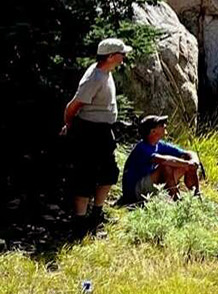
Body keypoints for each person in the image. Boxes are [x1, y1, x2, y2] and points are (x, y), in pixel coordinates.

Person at [58, 38, 129, 219]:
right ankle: (80, 220)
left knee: (109, 172)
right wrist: (70, 125)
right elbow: (73, 106)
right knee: (85, 174)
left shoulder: (105, 72)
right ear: (111, 56)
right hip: (89, 132)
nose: (124, 57)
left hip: (103, 131)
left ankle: (97, 213)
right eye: (122, 54)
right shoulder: (94, 78)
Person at [120, 115, 202, 204]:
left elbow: (188, 153)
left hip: (148, 184)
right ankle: (176, 199)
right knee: (166, 166)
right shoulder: (142, 148)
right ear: (153, 131)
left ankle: (196, 193)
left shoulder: (159, 144)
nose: (165, 125)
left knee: (186, 160)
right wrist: (187, 164)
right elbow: (163, 160)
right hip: (135, 192)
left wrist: (194, 161)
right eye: (161, 125)